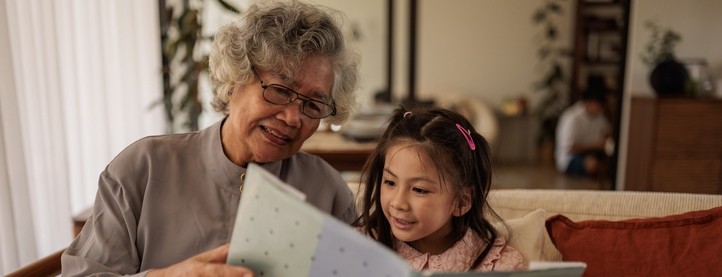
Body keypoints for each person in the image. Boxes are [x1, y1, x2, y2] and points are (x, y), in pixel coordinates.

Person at [61, 1, 359, 276]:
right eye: (280, 90)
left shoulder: (328, 194)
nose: (294, 118)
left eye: (313, 105)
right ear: (234, 78)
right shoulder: (142, 168)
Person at [354, 107, 526, 272]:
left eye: (419, 190)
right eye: (390, 182)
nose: (398, 203)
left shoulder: (501, 267)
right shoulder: (355, 247)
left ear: (462, 201)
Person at [554, 86, 611, 178]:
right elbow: (570, 147)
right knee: (592, 165)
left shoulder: (599, 116)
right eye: (599, 105)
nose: (601, 109)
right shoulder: (573, 118)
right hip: (569, 158)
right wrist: (595, 145)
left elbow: (606, 132)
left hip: (590, 153)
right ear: (590, 103)